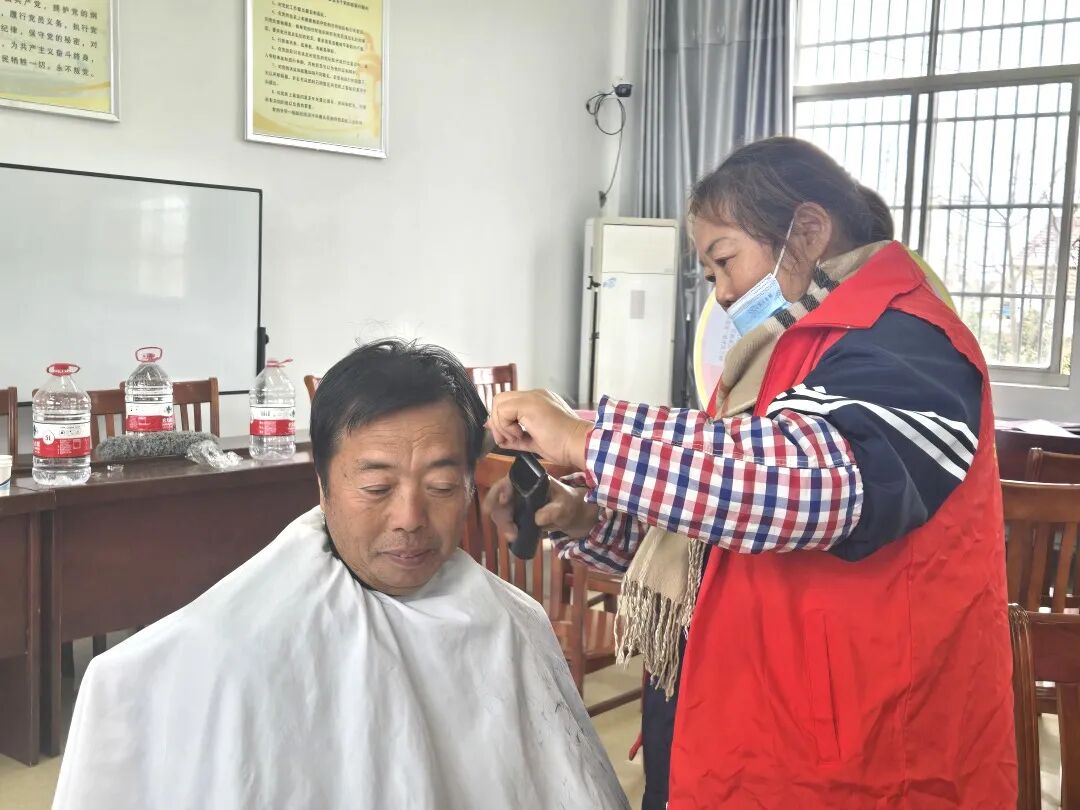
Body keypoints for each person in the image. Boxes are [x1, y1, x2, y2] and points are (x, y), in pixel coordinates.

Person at [485, 137, 1016, 809]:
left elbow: (804, 490)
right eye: (710, 275)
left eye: (726, 260)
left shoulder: (909, 343)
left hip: (854, 750)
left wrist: (587, 440)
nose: (726, 293)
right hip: (735, 721)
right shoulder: (784, 357)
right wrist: (583, 516)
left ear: (809, 230)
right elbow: (717, 537)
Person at [54, 340, 628, 810]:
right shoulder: (231, 653)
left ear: (471, 486)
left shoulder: (514, 622)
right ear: (323, 486)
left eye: (441, 486)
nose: (409, 518)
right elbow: (121, 697)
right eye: (376, 487)